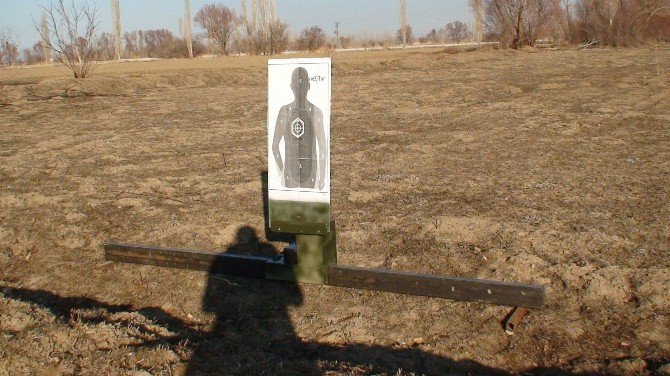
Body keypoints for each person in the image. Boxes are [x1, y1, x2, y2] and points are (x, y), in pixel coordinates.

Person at [272, 67, 327, 190]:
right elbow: (274, 145)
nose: (300, 88)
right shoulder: (284, 111)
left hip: (308, 178)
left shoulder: (316, 112)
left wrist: (322, 176)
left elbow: (323, 147)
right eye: (298, 85)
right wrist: (281, 172)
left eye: (301, 85)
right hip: (291, 178)